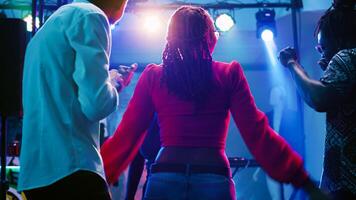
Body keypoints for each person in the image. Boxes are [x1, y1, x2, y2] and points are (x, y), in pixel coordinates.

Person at [101, 6, 327, 200]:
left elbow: (127, 135)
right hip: (213, 179)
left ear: (170, 38)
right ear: (209, 37)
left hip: (164, 177)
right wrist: (302, 180)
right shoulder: (229, 74)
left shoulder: (153, 76)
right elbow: (257, 133)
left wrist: (97, 175)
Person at [18, 0, 133, 199]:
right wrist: (114, 84)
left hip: (36, 175)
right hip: (72, 166)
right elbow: (97, 104)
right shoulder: (91, 16)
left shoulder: (46, 30)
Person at [278, 0, 356, 199]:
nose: (320, 51)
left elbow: (317, 99)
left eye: (322, 46)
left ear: (338, 40)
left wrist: (292, 64)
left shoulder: (346, 57)